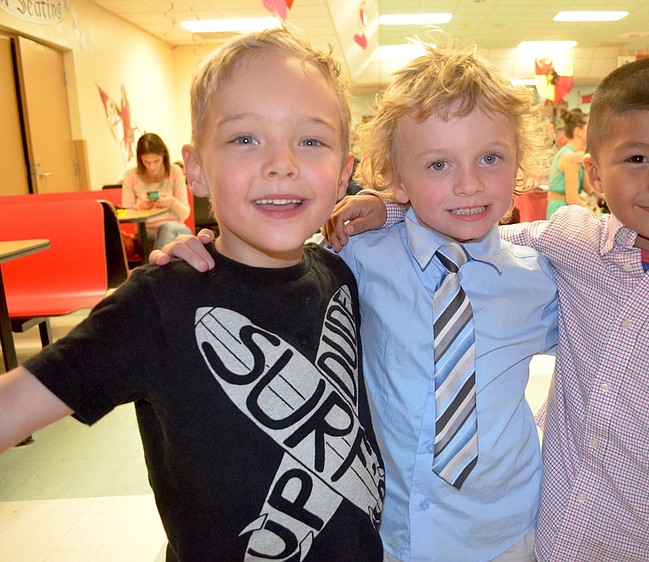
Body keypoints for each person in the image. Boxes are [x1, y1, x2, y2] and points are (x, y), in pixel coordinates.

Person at [329, 56, 649, 561]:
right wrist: (394, 208)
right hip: (552, 538)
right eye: (638, 159)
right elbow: (468, 231)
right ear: (595, 174)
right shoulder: (571, 245)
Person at [156, 41, 559, 562]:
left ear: (519, 163)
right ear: (396, 178)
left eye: (490, 157)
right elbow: (270, 267)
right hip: (387, 532)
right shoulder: (357, 256)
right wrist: (204, 256)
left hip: (504, 531)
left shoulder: (540, 281)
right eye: (438, 164)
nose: (469, 183)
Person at [0, 27, 386, 561]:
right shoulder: (160, 305)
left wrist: (392, 206)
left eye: (311, 141)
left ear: (345, 172)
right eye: (245, 138)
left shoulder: (341, 274)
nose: (282, 163)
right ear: (197, 169)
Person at [122, 133, 192, 250]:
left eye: (156, 161)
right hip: (146, 233)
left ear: (164, 156)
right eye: (147, 162)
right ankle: (161, 263)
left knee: (168, 228)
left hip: (176, 229)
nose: (152, 167)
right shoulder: (131, 176)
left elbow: (185, 214)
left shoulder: (175, 172)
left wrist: (172, 203)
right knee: (166, 238)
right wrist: (139, 206)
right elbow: (125, 213)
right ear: (140, 160)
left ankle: (158, 262)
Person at [547, 109, 594, 217]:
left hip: (571, 209)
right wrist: (593, 212)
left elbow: (589, 189)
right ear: (578, 131)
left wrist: (586, 162)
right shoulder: (570, 157)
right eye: (589, 126)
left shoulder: (578, 155)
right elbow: (572, 198)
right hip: (561, 212)